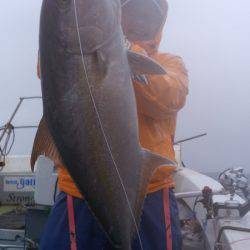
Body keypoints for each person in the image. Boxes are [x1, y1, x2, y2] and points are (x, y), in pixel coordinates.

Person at [38, 2, 189, 249]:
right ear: (121, 13)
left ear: (160, 23)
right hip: (77, 191)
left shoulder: (170, 63)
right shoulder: (77, 47)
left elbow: (170, 96)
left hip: (151, 191)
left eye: (149, 14)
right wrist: (102, 50)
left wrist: (121, 52)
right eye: (134, 11)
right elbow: (53, 64)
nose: (140, 20)